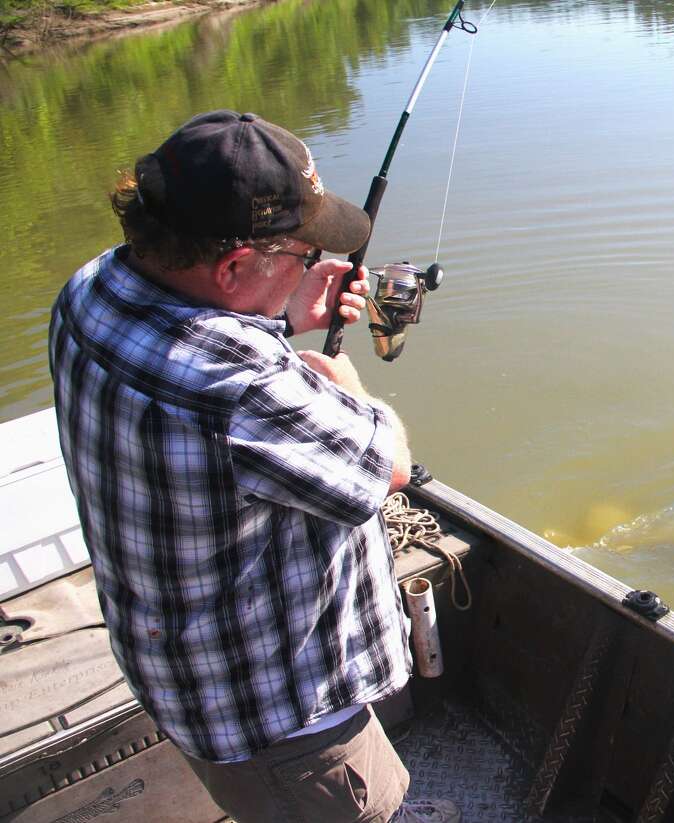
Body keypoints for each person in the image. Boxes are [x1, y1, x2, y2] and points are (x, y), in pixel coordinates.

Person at [47, 110, 458, 823]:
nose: (315, 264)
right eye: (303, 254)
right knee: (365, 802)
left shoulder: (91, 289)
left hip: (181, 670)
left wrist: (276, 312)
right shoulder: (242, 388)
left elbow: (192, 351)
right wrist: (347, 388)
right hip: (284, 718)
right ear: (234, 266)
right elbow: (386, 464)